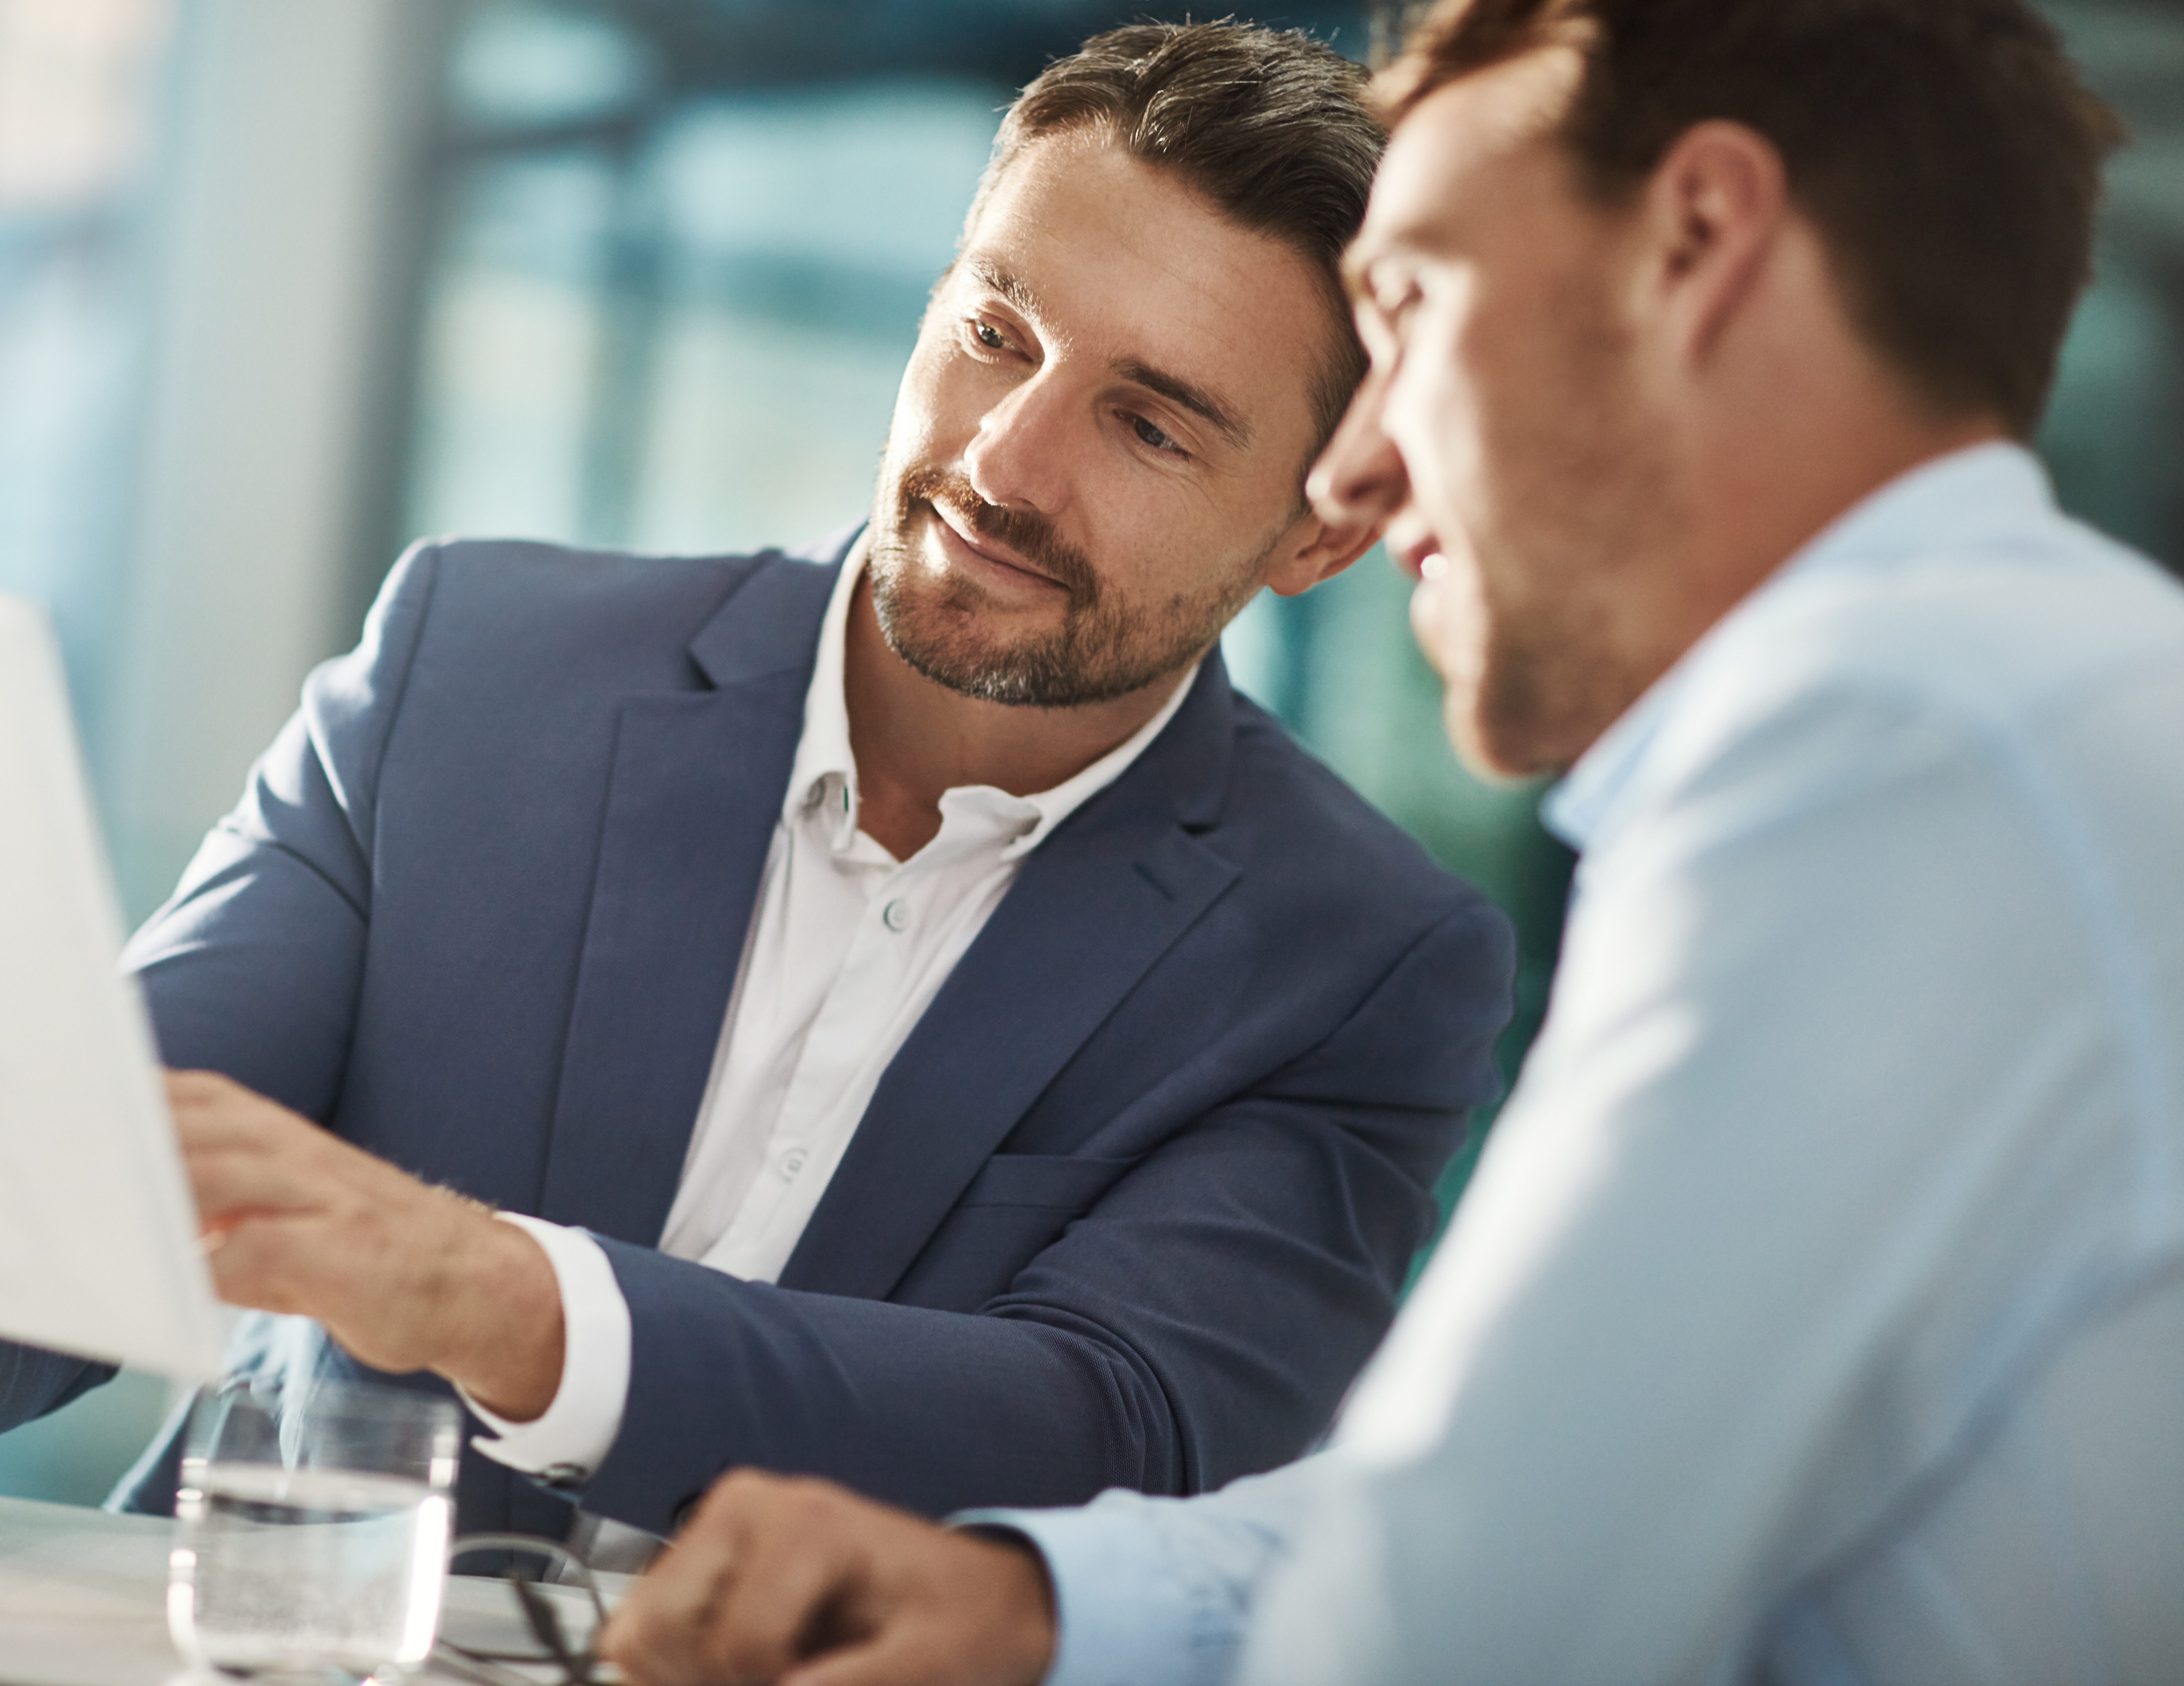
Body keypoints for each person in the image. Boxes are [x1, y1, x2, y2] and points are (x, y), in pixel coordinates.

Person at [0, 23, 1516, 1553]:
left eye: (1148, 419)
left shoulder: (1355, 957)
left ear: (1320, 530)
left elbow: (1118, 1430)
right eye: (993, 333)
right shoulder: (475, 664)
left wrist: (493, 1296)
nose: (1001, 461)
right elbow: (115, 1178)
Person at [593, 0, 2184, 1679]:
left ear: (1699, 242)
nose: (1352, 474)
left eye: (1414, 306)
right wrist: (1035, 1609)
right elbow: (1543, 1480)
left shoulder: (1891, 735)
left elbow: (1453, 1637)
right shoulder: (2025, 707)